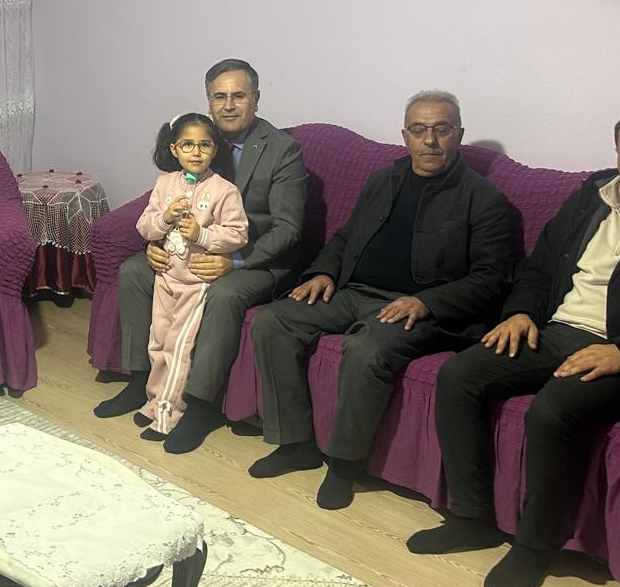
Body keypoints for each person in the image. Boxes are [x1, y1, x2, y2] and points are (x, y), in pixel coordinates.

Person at [408, 101, 620, 587]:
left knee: (553, 410)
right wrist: (521, 312)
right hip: (554, 330)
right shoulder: (592, 196)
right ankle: (470, 517)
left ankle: (535, 546)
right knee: (459, 375)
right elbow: (540, 265)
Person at [249, 91, 514, 509]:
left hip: (418, 309)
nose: (430, 140)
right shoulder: (383, 180)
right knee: (273, 321)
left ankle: (343, 465)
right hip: (352, 291)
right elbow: (345, 236)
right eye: (419, 130)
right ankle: (295, 443)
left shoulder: (484, 199)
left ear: (459, 134)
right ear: (405, 136)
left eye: (441, 130)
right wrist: (323, 272)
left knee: (365, 349)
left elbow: (492, 278)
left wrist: (427, 302)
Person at [96, 59, 306, 454]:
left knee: (222, 293)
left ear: (256, 99)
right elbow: (169, 198)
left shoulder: (283, 150)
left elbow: (288, 229)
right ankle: (141, 381)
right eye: (219, 96)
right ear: (208, 100)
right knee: (134, 271)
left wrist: (235, 261)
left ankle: (199, 405)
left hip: (256, 257)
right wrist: (157, 241)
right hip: (190, 247)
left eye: (238, 95)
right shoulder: (200, 139)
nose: (228, 105)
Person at [134, 113, 249, 437]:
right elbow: (144, 226)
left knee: (178, 348)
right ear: (174, 149)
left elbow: (238, 234)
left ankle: (168, 415)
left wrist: (202, 235)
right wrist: (163, 219)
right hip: (165, 279)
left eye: (204, 145)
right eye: (187, 144)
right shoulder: (164, 184)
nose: (196, 152)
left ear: (215, 150)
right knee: (158, 343)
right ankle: (154, 401)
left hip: (195, 283)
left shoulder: (224, 191)